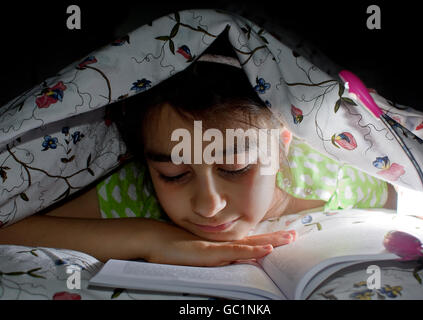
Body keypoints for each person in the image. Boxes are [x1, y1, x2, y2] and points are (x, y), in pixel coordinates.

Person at [0, 34, 397, 267]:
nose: (208, 206)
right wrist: (149, 238)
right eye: (173, 175)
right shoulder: (133, 193)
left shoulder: (337, 177)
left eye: (236, 167)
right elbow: (10, 228)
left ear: (281, 145)